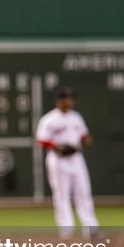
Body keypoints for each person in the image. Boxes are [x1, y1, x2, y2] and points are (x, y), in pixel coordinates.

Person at [35, 86, 98, 237]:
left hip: (76, 158)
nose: (71, 101)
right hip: (58, 160)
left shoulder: (76, 117)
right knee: (62, 194)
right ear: (60, 100)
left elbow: (84, 135)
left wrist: (85, 139)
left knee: (84, 191)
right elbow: (41, 141)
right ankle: (66, 229)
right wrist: (57, 146)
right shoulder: (49, 119)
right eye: (68, 98)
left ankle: (90, 227)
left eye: (71, 98)